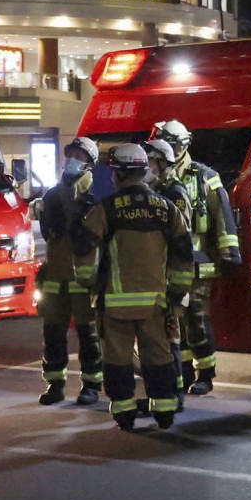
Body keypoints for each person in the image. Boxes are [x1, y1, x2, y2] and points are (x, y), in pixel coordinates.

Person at [74, 144, 193, 431]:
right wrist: (175, 294)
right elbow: (184, 254)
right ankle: (165, 411)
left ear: (119, 173)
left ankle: (125, 413)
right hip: (156, 304)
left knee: (118, 360)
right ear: (142, 171)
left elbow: (85, 250)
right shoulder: (166, 208)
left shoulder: (106, 209)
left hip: (115, 306)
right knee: (159, 357)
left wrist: (90, 282)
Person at [149, 119, 241, 396]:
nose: (170, 149)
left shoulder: (203, 176)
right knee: (176, 320)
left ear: (182, 145)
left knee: (197, 321)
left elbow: (222, 216)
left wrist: (229, 252)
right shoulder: (157, 176)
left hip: (198, 263)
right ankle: (186, 371)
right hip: (167, 265)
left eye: (173, 144)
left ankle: (206, 373)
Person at [34, 137, 103, 406]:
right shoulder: (51, 195)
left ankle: (92, 385)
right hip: (56, 278)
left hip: (85, 278)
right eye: (71, 153)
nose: (73, 159)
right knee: (52, 333)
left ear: (91, 163)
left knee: (89, 334)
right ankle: (55, 384)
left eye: (80, 155)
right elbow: (49, 234)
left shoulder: (99, 193)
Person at [138, 139, 192, 412]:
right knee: (164, 337)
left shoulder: (174, 193)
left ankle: (174, 395)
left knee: (168, 336)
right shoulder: (156, 191)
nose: (146, 166)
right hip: (159, 275)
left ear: (162, 163)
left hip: (169, 275)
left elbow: (179, 239)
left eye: (150, 161)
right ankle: (170, 393)